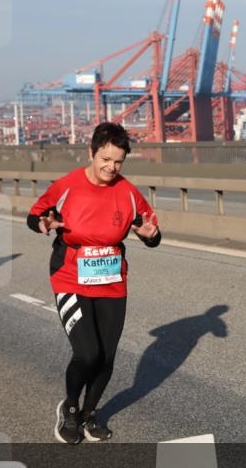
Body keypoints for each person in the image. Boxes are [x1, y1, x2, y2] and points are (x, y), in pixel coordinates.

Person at [27, 122, 162, 444]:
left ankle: (90, 413)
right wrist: (42, 223)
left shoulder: (128, 192)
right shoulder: (66, 186)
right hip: (70, 276)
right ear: (91, 153)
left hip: (112, 278)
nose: (111, 167)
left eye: (118, 161)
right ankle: (70, 409)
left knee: (107, 356)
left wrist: (151, 237)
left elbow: (150, 229)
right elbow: (35, 216)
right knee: (87, 354)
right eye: (105, 159)